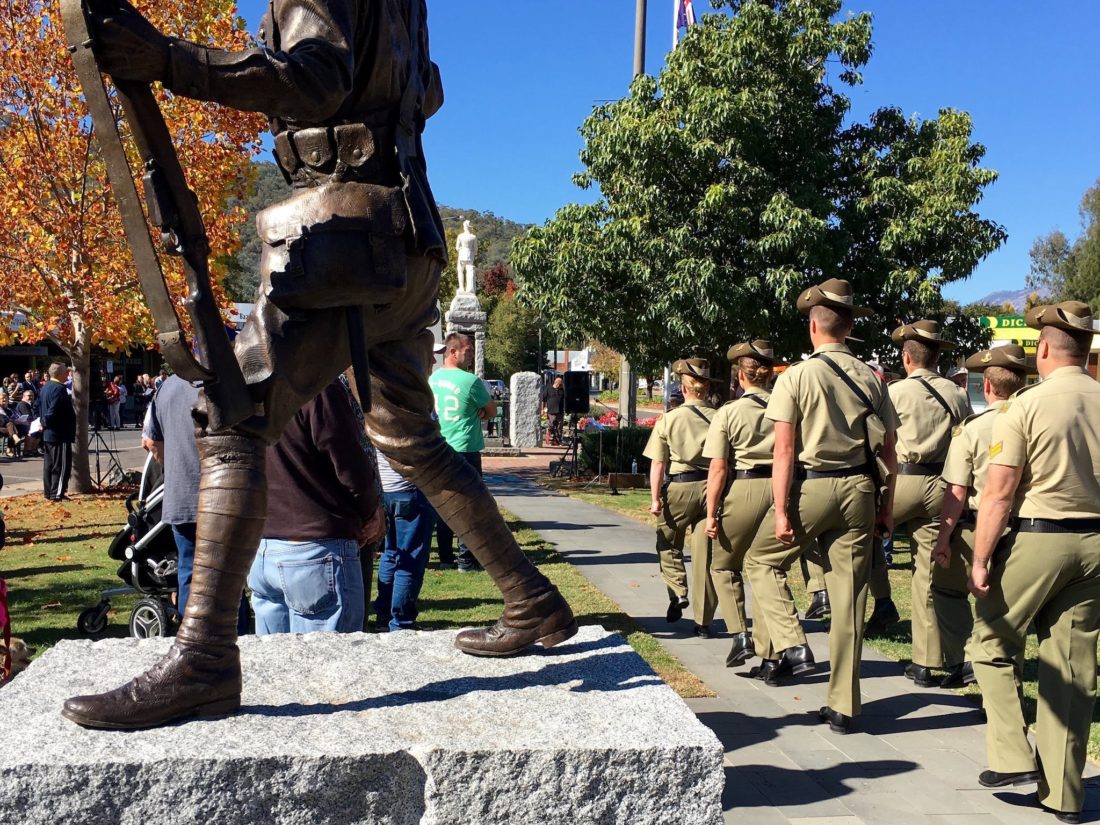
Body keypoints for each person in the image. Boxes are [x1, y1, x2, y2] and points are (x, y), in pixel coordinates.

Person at [63, 0, 575, 731]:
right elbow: (427, 86)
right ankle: (529, 595)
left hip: (344, 233)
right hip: (405, 232)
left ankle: (206, 655)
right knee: (408, 436)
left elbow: (315, 79)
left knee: (230, 416)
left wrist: (170, 61)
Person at [965, 302, 1100, 824]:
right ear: (1086, 349)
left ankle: (1012, 757)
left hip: (1040, 538)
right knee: (1071, 668)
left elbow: (998, 493)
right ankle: (1065, 797)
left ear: (1043, 348)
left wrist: (979, 559)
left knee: (991, 641)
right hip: (1095, 544)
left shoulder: (1025, 405)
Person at [744, 278, 898, 733]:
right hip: (861, 490)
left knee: (761, 560)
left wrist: (778, 508)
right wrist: (886, 505)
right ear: (848, 327)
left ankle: (792, 643)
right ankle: (845, 707)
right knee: (850, 598)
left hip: (812, 487)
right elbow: (889, 447)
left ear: (813, 326)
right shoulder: (872, 376)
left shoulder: (796, 376)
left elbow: (784, 451)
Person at [249, 380, 383, 634]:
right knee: (329, 667)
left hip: (264, 547)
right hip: (315, 549)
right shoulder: (314, 386)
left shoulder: (249, 384)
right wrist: (371, 510)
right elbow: (350, 465)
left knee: (276, 666)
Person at [930, 345, 1027, 689]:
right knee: (1009, 606)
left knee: (946, 589)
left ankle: (965, 657)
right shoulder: (1034, 419)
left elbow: (957, 491)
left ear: (986, 386)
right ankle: (1005, 667)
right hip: (1024, 527)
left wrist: (943, 539)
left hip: (976, 524)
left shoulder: (973, 427)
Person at [884, 320, 971, 686]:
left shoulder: (895, 393)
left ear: (907, 357)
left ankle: (876, 607)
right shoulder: (956, 394)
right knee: (930, 571)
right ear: (937, 357)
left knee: (864, 547)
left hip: (901, 478)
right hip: (941, 482)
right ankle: (927, 660)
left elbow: (880, 440)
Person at [144, 373, 250, 633]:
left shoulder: (166, 387)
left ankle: (193, 643)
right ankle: (234, 642)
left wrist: (179, 465)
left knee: (191, 576)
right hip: (224, 497)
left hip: (183, 497)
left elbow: (150, 442)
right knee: (228, 579)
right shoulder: (231, 381)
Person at [702, 340, 778, 666]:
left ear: (740, 378)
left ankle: (740, 635)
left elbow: (718, 468)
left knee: (722, 565)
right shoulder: (787, 409)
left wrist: (710, 513)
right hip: (781, 488)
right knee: (769, 570)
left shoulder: (729, 412)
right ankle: (771, 653)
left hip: (745, 489)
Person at [643, 358, 720, 631]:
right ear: (707, 387)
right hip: (712, 487)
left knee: (668, 543)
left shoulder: (670, 419)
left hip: (679, 486)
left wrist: (655, 498)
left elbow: (658, 463)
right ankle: (705, 621)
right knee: (705, 557)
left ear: (684, 389)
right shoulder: (719, 417)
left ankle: (678, 591)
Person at [429, 332, 496, 572]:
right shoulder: (470, 381)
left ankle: (445, 556)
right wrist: (479, 413)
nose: (470, 354)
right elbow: (491, 410)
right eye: (467, 350)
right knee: (470, 505)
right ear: (453, 351)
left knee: (444, 504)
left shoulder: (433, 380)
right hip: (465, 448)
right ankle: (466, 559)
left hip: (439, 448)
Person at [374, 450, 434, 630]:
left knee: (391, 554)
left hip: (387, 490)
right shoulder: (411, 420)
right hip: (410, 489)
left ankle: (383, 616)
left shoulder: (373, 421)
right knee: (411, 560)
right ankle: (402, 622)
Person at [39, 362, 76, 501]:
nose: (68, 374)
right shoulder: (59, 389)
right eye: (66, 372)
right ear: (60, 373)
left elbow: (40, 407)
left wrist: (43, 422)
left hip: (49, 432)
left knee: (49, 464)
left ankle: (49, 492)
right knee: (61, 465)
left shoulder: (45, 387)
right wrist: (45, 421)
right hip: (60, 432)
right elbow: (52, 411)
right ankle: (57, 493)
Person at [541, 374, 565, 446]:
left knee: (559, 427)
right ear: (556, 383)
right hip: (551, 411)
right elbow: (543, 400)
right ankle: (549, 440)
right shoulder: (548, 389)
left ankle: (557, 441)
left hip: (560, 411)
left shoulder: (562, 390)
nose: (561, 385)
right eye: (560, 384)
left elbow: (565, 400)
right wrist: (542, 409)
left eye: (561, 384)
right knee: (551, 426)